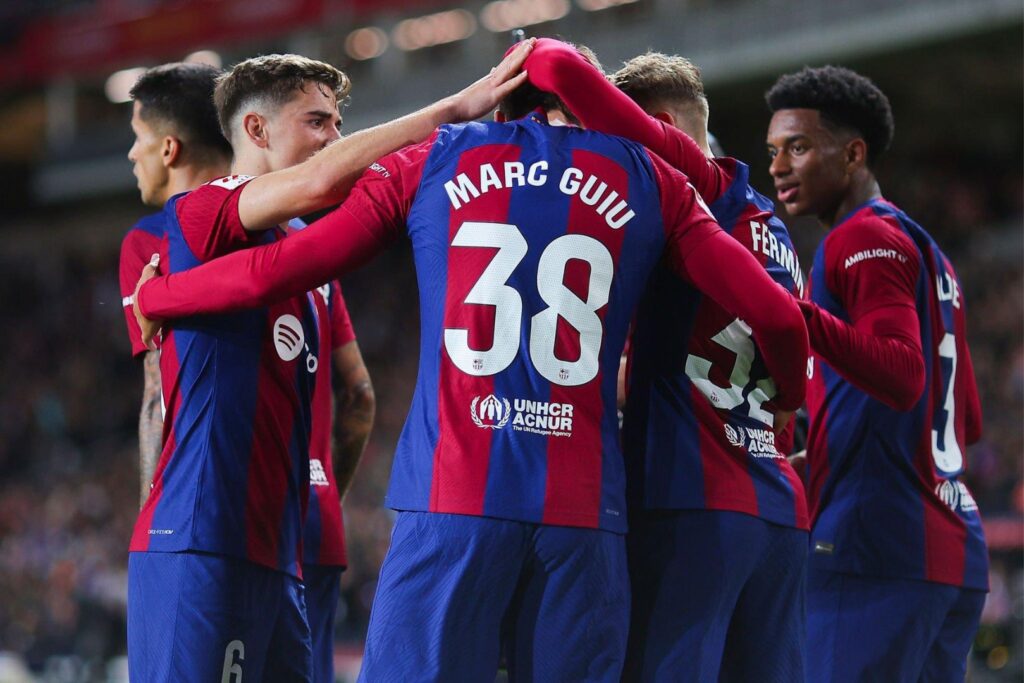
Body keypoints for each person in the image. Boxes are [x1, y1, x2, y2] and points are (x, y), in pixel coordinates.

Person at [130, 67, 808, 680]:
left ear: (501, 102)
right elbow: (779, 317)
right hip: (585, 514)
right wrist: (787, 401)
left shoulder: (436, 159)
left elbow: (282, 266)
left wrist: (160, 297)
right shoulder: (654, 179)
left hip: (453, 500)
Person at [125, 44, 532, 683]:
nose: (334, 138)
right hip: (201, 538)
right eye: (317, 122)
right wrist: (455, 111)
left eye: (338, 123)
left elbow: (358, 214)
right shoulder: (202, 212)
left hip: (278, 551)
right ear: (254, 130)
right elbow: (323, 183)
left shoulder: (304, 255)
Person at [522, 39, 810, 681]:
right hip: (777, 506)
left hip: (694, 499)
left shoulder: (700, 184)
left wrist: (527, 57)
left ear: (669, 129)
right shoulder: (774, 229)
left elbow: (564, 71)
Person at [765, 65, 988, 682]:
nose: (779, 166)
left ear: (853, 152)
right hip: (950, 550)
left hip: (875, 549)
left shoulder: (860, 240)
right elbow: (963, 419)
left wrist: (790, 311)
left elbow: (903, 374)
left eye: (800, 147)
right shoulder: (928, 252)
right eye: (773, 151)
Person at [118, 62, 231, 507]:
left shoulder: (148, 242)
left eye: (136, 136)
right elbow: (357, 393)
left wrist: (153, 513)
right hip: (302, 517)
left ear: (168, 148)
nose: (130, 153)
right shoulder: (294, 229)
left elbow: (156, 396)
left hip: (200, 508)